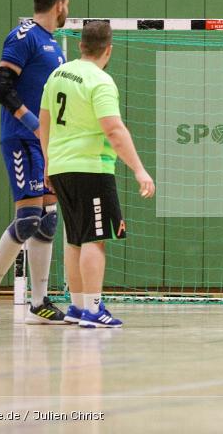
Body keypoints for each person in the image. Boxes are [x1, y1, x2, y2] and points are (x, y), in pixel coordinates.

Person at [39, 21, 155, 328]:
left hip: (61, 167)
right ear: (109, 49)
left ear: (80, 45)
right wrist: (140, 170)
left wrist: (49, 161)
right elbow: (114, 130)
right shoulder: (100, 81)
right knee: (95, 238)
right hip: (91, 168)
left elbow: (45, 119)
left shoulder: (57, 74)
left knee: (75, 239)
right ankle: (93, 310)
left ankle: (77, 307)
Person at [0, 0, 70, 325]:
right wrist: (32, 124)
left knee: (48, 221)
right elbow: (1, 87)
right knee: (28, 219)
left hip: (46, 143)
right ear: (60, 4)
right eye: (67, 5)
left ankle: (40, 301)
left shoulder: (55, 45)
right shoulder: (24, 36)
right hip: (20, 138)